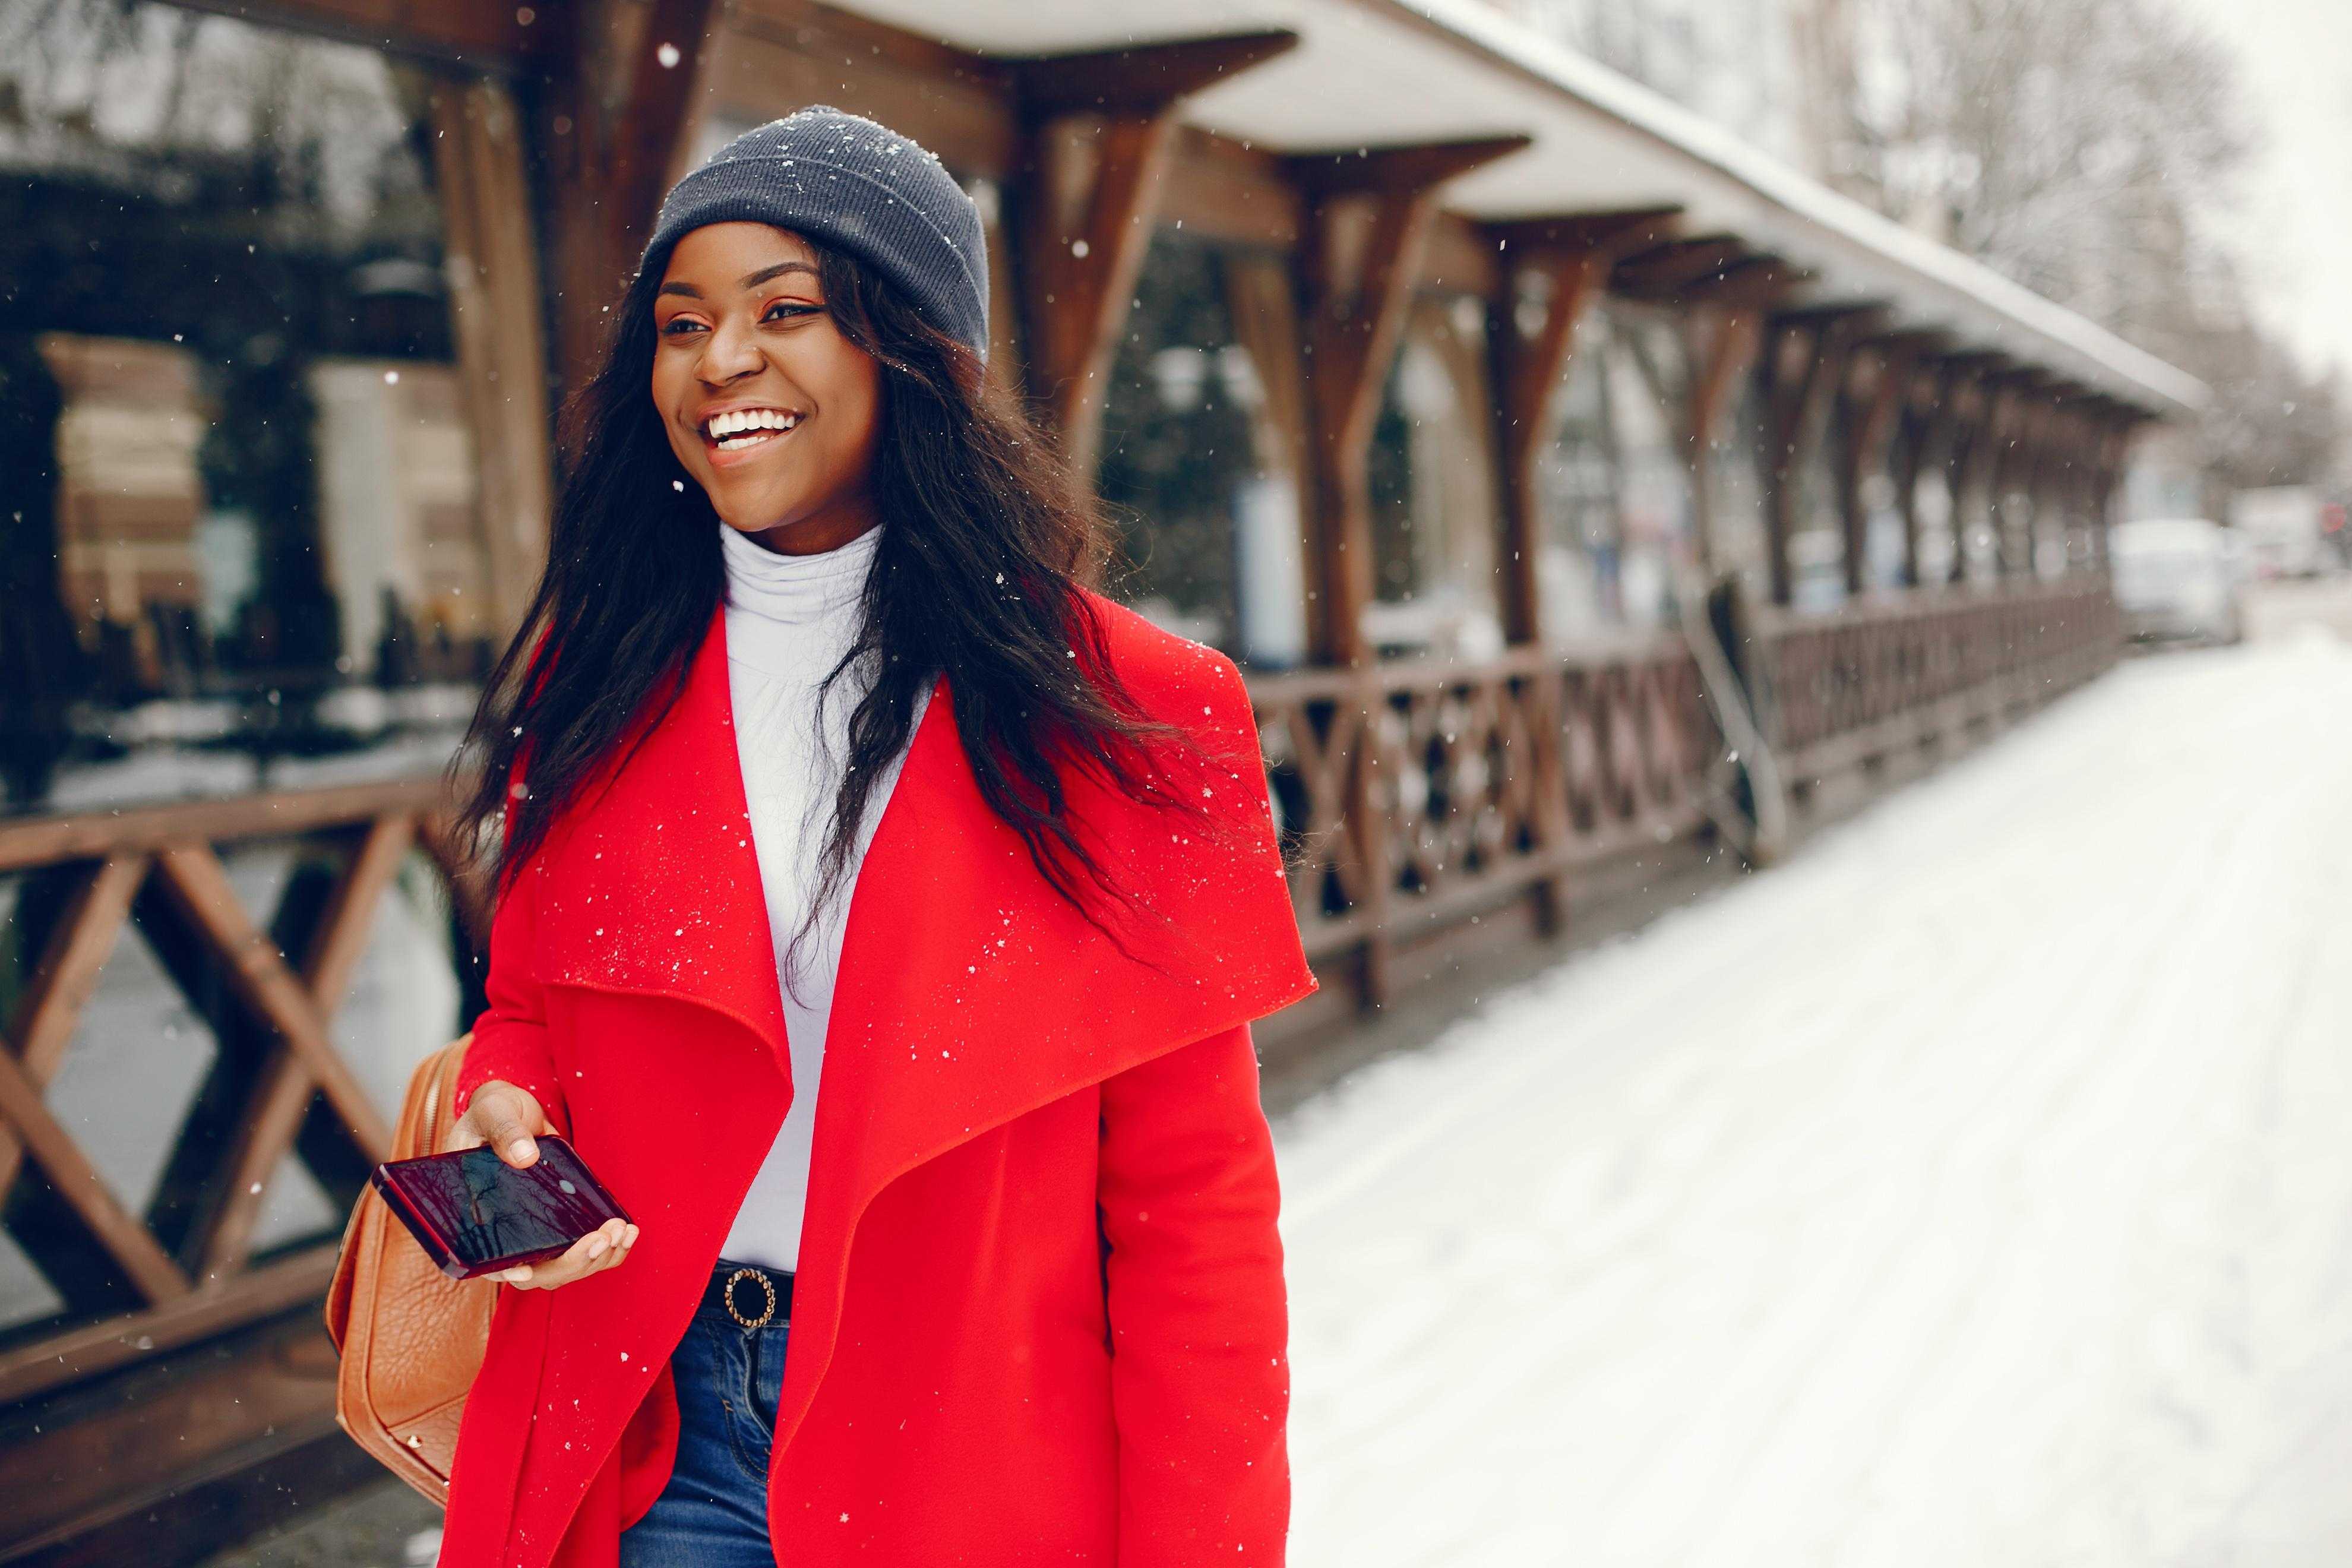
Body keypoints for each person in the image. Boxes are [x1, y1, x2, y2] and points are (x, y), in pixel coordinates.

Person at [432, 106, 1317, 1568]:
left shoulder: (1131, 712)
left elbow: (1195, 1222)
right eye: (682, 322)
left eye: (787, 311)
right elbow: (526, 1007)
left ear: (916, 358)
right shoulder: (594, 678)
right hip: (641, 1438)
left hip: (971, 1466)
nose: (721, 361)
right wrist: (507, 1107)